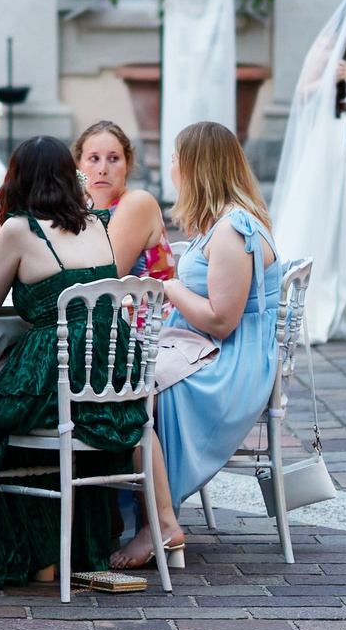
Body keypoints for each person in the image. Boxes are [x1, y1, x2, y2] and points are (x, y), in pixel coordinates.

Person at [0, 136, 149, 590]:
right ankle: (65, 551)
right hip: (115, 382)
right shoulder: (98, 223)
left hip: (59, 376)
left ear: (17, 179)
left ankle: (31, 554)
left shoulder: (19, 230)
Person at [118, 121, 280, 572]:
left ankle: (155, 521)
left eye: (174, 158)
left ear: (193, 167)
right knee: (126, 375)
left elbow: (222, 321)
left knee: (134, 390)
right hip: (207, 348)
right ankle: (130, 513)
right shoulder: (221, 223)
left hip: (231, 364)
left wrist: (167, 288)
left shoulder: (233, 229)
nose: (170, 167)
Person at [273, 0, 346, 342]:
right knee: (332, 211)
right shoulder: (329, 49)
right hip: (338, 139)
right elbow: (303, 91)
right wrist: (331, 78)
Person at [75, 120, 170, 277]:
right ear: (79, 166)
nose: (102, 170)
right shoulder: (86, 206)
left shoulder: (137, 202)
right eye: (94, 158)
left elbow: (104, 278)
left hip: (139, 301)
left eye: (113, 159)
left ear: (127, 164)